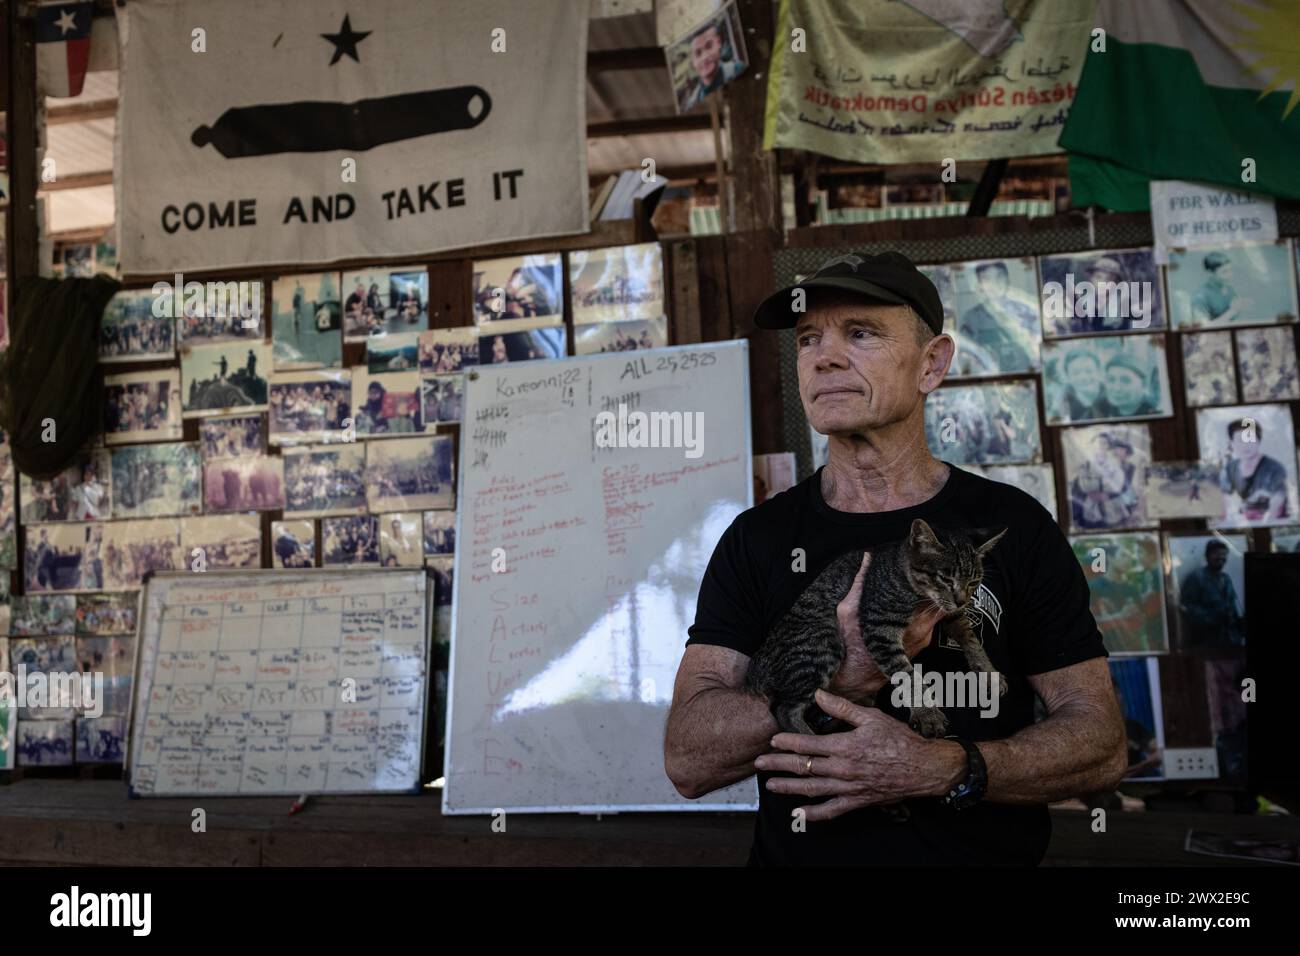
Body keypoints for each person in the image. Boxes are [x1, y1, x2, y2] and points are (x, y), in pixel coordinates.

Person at [665, 252, 1127, 866]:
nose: (824, 356)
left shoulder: (1014, 529)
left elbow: (1100, 745)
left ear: (932, 363)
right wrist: (843, 671)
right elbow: (689, 758)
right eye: (808, 339)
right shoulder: (758, 540)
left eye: (860, 332)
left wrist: (947, 769)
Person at [956, 261, 1035, 373]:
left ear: (1007, 279)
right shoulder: (971, 319)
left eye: (1000, 276)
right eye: (987, 279)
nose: (995, 283)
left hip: (1026, 380)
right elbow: (966, 362)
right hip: (991, 384)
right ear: (980, 285)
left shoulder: (1026, 312)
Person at [1219, 417, 1290, 522]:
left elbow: (1277, 506)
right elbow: (1223, 501)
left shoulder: (1275, 469)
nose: (1245, 445)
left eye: (1250, 439)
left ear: (1258, 440)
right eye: (1240, 441)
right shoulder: (1229, 468)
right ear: (1231, 443)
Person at [1178, 539, 1244, 648]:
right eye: (1216, 553)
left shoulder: (1226, 578)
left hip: (1231, 642)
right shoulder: (1196, 578)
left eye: (1223, 554)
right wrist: (1214, 618)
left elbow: (1233, 607)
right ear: (1207, 556)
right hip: (1208, 644)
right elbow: (1187, 608)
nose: (1220, 557)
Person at [680, 18, 746, 111]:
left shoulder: (738, 69)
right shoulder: (693, 102)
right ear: (693, 61)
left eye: (709, 46)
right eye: (698, 53)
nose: (705, 57)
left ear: (718, 43)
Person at [1191, 252, 1254, 325]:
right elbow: (1204, 328)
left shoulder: (1229, 289)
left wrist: (1242, 305)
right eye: (1224, 272)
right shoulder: (1200, 297)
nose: (1230, 275)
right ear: (1210, 273)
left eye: (1230, 270)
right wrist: (1233, 311)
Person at [1056, 349, 1104, 421]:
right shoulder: (1064, 401)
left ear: (1099, 371)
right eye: (1076, 373)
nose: (1083, 377)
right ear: (1067, 376)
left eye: (1089, 371)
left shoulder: (1113, 396)